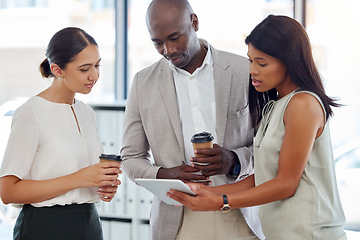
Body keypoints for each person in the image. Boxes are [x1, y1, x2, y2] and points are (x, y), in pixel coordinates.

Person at [167, 15, 347, 240]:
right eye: (250, 60)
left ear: (291, 61)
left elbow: (286, 184)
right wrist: (210, 192)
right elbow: (263, 176)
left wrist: (221, 202)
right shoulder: (275, 106)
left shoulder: (303, 104)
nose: (252, 70)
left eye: (262, 63)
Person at [120, 0, 263, 239]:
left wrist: (234, 160)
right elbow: (130, 158)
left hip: (242, 216)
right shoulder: (143, 83)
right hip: (177, 221)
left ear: (194, 23)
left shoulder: (244, 72)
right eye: (158, 43)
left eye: (175, 37)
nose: (168, 50)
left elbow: (269, 149)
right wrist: (166, 175)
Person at [0, 27, 121, 240]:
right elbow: (8, 192)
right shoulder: (30, 113)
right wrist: (79, 179)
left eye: (97, 65)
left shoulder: (86, 112)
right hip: (45, 227)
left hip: (90, 224)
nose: (94, 75)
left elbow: (81, 178)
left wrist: (101, 186)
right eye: (84, 69)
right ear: (57, 70)